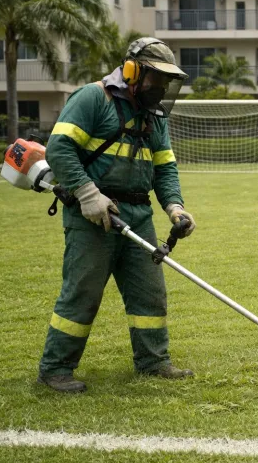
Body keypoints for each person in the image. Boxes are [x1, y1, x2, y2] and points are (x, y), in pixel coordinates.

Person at [37, 37, 196, 393]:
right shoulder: (92, 98)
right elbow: (59, 148)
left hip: (138, 215)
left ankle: (153, 362)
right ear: (131, 70)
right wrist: (88, 193)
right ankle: (56, 368)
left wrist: (174, 206)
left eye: (167, 81)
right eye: (155, 78)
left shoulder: (155, 117)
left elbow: (164, 168)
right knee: (82, 292)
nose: (161, 87)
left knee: (149, 294)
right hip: (91, 216)